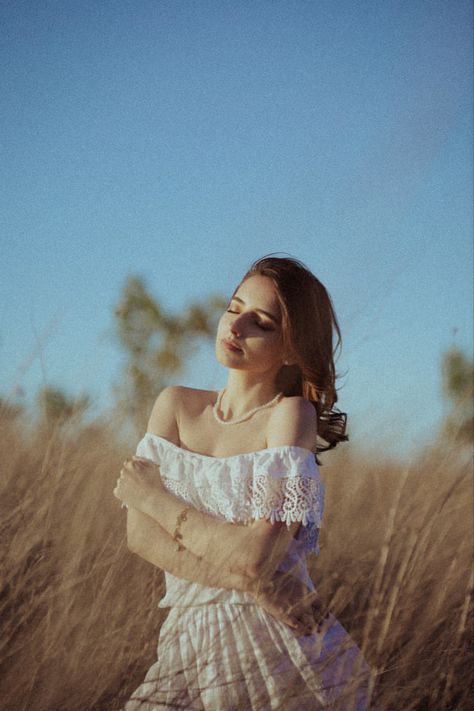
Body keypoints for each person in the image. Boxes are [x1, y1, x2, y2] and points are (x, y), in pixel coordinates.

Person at [114, 255, 370, 709]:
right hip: (190, 634)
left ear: (291, 347)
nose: (236, 326)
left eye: (262, 323)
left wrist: (152, 496)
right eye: (234, 308)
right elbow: (139, 536)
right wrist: (251, 584)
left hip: (277, 646)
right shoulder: (174, 405)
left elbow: (258, 557)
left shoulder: (291, 415)